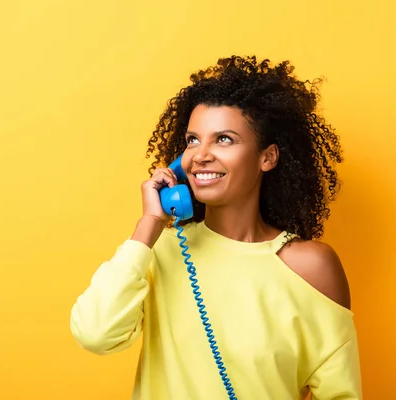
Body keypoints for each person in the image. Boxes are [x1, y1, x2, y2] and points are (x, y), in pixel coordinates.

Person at [70, 55, 362, 399]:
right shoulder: (159, 250)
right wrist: (149, 224)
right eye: (193, 140)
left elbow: (340, 393)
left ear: (267, 157)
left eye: (223, 139)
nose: (200, 155)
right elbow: (95, 334)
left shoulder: (312, 267)